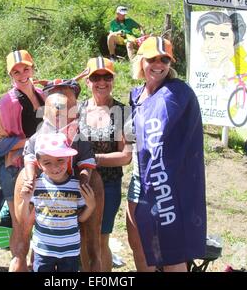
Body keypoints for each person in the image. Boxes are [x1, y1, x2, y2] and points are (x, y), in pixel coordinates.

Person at [127, 36, 206, 272]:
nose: (158, 64)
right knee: (140, 246)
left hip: (166, 185)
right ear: (141, 61)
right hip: (138, 182)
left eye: (165, 59)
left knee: (171, 253)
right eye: (152, 58)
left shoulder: (176, 93)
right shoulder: (136, 95)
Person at [0, 50, 45, 263]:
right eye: (16, 71)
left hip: (40, 167)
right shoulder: (5, 103)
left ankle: (33, 264)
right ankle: (19, 263)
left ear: (32, 68)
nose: (22, 75)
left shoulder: (43, 95)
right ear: (10, 75)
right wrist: (30, 140)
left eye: (26, 69)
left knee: (39, 220)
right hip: (14, 168)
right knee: (20, 223)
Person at [78, 56, 132, 271]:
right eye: (95, 77)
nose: (102, 82)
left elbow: (126, 155)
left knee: (100, 238)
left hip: (108, 185)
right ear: (87, 81)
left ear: (113, 80)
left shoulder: (123, 112)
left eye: (107, 76)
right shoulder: (78, 109)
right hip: (80, 183)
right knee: (82, 236)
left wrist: (92, 160)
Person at [17, 132, 96, 272]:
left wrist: (90, 206)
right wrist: (26, 200)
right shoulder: (36, 186)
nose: (55, 167)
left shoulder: (76, 186)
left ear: (68, 158)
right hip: (43, 251)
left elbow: (80, 218)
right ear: (39, 164)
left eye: (60, 160)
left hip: (70, 252)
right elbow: (25, 218)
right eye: (47, 162)